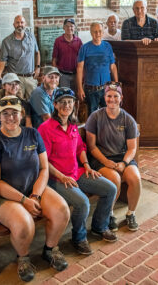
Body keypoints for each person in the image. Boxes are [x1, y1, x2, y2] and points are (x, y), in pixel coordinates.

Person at [0, 95, 70, 282]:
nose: (11, 118)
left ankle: (50, 249)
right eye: (6, 114)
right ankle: (23, 257)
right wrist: (23, 200)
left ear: (22, 114)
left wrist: (35, 195)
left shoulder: (32, 134)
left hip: (32, 189)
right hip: (4, 195)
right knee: (24, 225)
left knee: (62, 211)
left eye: (15, 113)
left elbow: (44, 168)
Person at [38, 87, 117, 255]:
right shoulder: (45, 128)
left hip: (77, 172)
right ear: (55, 105)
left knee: (110, 189)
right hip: (57, 178)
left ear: (74, 104)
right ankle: (79, 238)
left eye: (70, 102)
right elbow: (43, 161)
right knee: (82, 203)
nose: (67, 105)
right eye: (63, 102)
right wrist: (61, 176)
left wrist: (87, 166)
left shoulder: (73, 125)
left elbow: (80, 147)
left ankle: (99, 226)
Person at [85, 83, 141, 232]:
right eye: (109, 96)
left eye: (115, 96)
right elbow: (91, 147)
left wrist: (124, 162)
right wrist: (106, 162)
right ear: (104, 98)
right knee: (114, 179)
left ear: (121, 98)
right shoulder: (95, 117)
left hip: (123, 158)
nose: (112, 99)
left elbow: (132, 148)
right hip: (101, 159)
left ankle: (131, 213)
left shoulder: (128, 119)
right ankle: (109, 214)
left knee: (135, 178)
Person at [77, 22, 118, 114]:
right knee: (92, 117)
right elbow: (79, 68)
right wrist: (80, 88)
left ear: (103, 32)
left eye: (100, 31)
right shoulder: (84, 48)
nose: (98, 34)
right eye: (95, 32)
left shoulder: (108, 46)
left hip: (107, 89)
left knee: (108, 114)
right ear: (91, 33)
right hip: (91, 89)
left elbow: (113, 66)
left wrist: (116, 83)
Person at [0, 15, 41, 100]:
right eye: (17, 22)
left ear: (25, 24)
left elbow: (37, 52)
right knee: (18, 103)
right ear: (14, 25)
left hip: (30, 78)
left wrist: (38, 67)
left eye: (22, 22)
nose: (20, 24)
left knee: (33, 103)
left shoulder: (31, 37)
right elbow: (2, 60)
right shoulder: (6, 41)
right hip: (15, 80)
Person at [52, 18, 83, 91]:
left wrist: (82, 74)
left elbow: (82, 60)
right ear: (63, 27)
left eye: (71, 26)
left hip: (76, 75)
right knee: (64, 96)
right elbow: (54, 60)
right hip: (63, 75)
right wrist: (56, 75)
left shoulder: (78, 41)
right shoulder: (58, 41)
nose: (69, 28)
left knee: (75, 97)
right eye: (67, 26)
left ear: (74, 27)